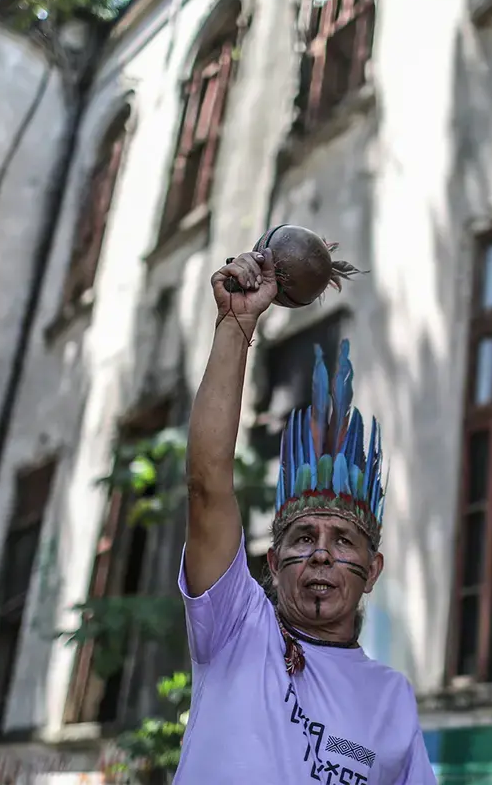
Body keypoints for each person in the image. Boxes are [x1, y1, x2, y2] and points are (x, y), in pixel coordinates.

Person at [174, 247, 437, 783]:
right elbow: (207, 483)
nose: (320, 552)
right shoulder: (236, 629)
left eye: (343, 540)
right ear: (272, 562)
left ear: (374, 570)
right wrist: (235, 325)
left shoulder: (392, 701)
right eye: (303, 538)